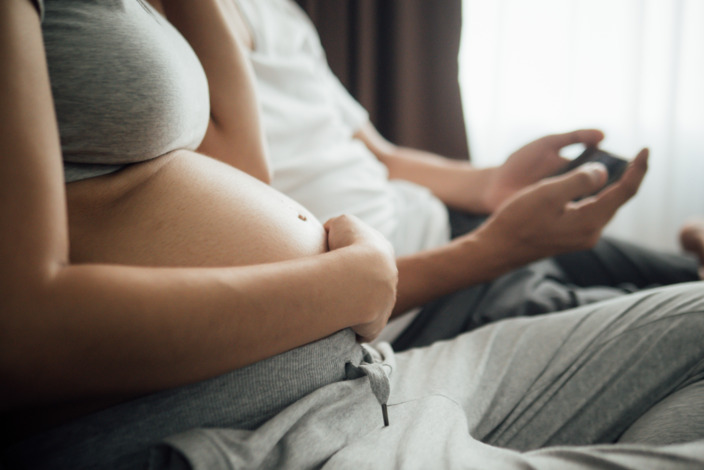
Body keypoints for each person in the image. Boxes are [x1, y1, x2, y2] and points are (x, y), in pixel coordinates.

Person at [2, 0, 704, 469]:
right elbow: (23, 332)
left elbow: (253, 171)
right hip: (264, 419)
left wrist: (484, 187)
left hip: (367, 371)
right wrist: (356, 281)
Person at [227, 0, 703, 349]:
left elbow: (381, 156)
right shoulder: (184, 37)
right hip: (425, 299)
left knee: (676, 273)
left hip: (453, 226)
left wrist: (490, 183)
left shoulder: (280, 13)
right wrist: (496, 250)